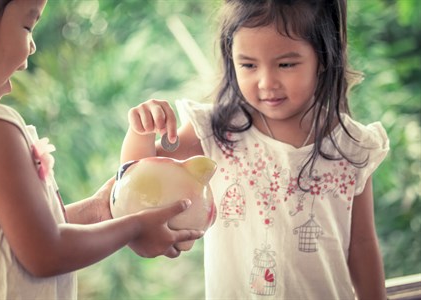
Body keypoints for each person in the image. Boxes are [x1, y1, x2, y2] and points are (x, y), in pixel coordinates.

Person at [120, 0, 389, 299]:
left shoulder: (351, 146)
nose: (266, 82)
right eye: (248, 65)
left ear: (323, 57)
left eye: (286, 64)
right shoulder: (216, 130)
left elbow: (362, 243)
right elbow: (136, 179)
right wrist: (141, 131)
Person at [0, 0, 204, 298]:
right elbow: (44, 251)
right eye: (28, 26)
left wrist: (97, 209)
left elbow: (13, 236)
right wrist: (134, 228)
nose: (32, 47)